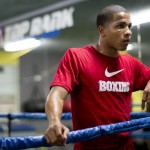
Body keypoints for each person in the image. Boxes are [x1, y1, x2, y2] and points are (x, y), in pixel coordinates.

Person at [44, 4, 150, 150]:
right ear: (102, 30)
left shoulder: (131, 64)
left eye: (129, 26)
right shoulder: (77, 57)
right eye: (120, 26)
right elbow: (57, 94)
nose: (128, 32)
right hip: (88, 147)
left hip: (125, 146)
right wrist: (54, 121)